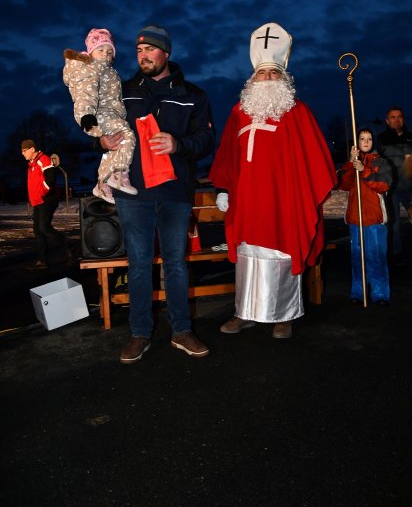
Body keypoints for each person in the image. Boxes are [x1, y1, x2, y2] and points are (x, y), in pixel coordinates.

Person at [208, 22, 336, 339]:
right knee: (249, 254)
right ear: (252, 79)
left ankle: (284, 315)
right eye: (262, 73)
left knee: (281, 251)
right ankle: (245, 312)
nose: (267, 78)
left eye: (273, 73)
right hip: (247, 199)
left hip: (283, 199)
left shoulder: (297, 112)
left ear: (284, 78)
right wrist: (223, 187)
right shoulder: (239, 112)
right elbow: (227, 155)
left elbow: (315, 159)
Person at [100, 25, 215, 363]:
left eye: (150, 49)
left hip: (175, 192)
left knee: (176, 264)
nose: (143, 56)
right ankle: (140, 334)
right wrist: (100, 141)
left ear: (166, 53)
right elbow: (100, 124)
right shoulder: (121, 92)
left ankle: (181, 331)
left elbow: (207, 140)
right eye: (138, 51)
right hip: (133, 193)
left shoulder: (192, 93)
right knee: (137, 265)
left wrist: (178, 144)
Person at [63, 28, 137, 204]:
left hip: (108, 113)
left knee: (113, 148)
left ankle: (103, 185)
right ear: (91, 52)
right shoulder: (91, 67)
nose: (106, 54)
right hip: (100, 115)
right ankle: (119, 173)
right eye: (100, 50)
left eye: (109, 51)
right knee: (127, 136)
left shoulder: (108, 70)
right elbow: (84, 93)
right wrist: (86, 115)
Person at [339, 128, 392, 305]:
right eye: (362, 138)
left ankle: (380, 294)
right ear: (357, 143)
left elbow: (383, 185)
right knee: (357, 257)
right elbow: (344, 185)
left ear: (374, 142)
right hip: (356, 218)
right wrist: (350, 164)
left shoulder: (381, 162)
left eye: (369, 138)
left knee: (376, 256)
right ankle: (357, 291)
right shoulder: (352, 163)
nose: (366, 142)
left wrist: (364, 170)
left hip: (375, 218)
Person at [377, 107, 412, 262]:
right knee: (394, 224)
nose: (397, 119)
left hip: (411, 189)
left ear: (403, 119)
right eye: (393, 117)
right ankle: (396, 254)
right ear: (387, 120)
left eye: (399, 117)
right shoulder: (381, 139)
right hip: (391, 189)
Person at [21, 139, 66, 269]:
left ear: (32, 149)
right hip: (38, 201)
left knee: (44, 228)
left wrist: (42, 192)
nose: (22, 153)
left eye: (24, 150)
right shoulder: (31, 163)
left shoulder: (43, 159)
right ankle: (41, 261)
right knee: (38, 230)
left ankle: (68, 247)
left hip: (47, 199)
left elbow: (50, 179)